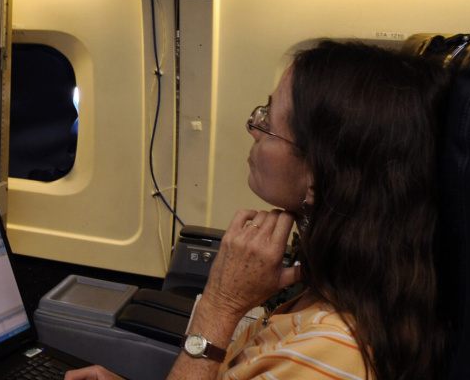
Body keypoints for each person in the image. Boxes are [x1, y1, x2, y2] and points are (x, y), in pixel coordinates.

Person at [66, 40, 450, 380]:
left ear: (317, 175)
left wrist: (219, 306)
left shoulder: (331, 353)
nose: (254, 126)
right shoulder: (332, 290)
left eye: (269, 120)